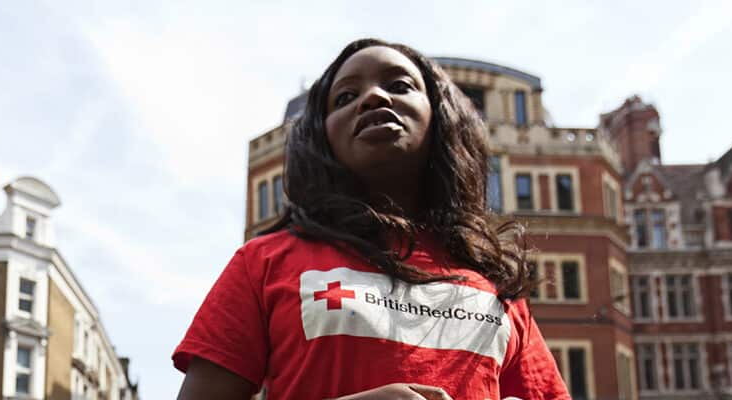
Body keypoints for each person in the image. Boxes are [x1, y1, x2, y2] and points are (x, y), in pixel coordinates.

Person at [173, 38, 570, 400]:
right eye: (345, 96)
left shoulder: (496, 288)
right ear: (320, 135)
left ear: (441, 116)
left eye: (399, 86)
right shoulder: (262, 264)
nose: (373, 97)